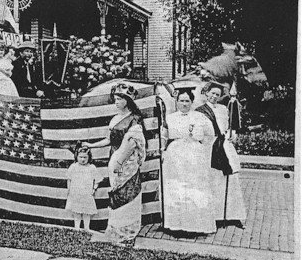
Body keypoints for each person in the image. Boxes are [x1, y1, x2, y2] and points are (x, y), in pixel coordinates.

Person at [83, 83, 147, 243]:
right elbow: (108, 140)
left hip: (128, 162)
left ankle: (128, 231)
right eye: (115, 99)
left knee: (127, 193)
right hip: (114, 159)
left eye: (119, 99)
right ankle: (115, 229)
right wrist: (91, 145)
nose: (116, 102)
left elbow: (133, 143)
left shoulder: (135, 119)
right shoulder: (115, 118)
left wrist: (120, 161)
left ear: (127, 100)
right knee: (117, 193)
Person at [161, 89, 216, 234]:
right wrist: (162, 149)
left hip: (194, 155)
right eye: (181, 100)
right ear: (176, 102)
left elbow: (210, 135)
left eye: (187, 101)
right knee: (176, 188)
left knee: (194, 188)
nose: (184, 104)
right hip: (175, 155)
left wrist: (201, 148)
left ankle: (195, 226)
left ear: (192, 102)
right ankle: (175, 225)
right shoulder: (170, 118)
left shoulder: (200, 117)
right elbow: (164, 136)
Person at [196, 81, 246, 226]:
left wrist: (233, 135)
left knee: (231, 180)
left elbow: (230, 127)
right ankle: (215, 216)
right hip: (210, 148)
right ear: (206, 94)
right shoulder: (199, 111)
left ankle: (232, 215)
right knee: (214, 181)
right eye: (212, 93)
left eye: (217, 94)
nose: (215, 97)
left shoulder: (224, 109)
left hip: (225, 146)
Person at [65, 144, 99, 231]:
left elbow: (97, 180)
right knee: (76, 211)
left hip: (87, 193)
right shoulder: (74, 166)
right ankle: (77, 227)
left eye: (85, 157)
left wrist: (94, 189)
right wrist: (69, 189)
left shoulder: (91, 168)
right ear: (77, 157)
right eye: (80, 157)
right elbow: (69, 179)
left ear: (89, 157)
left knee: (86, 212)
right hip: (76, 192)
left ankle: (86, 228)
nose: (83, 159)